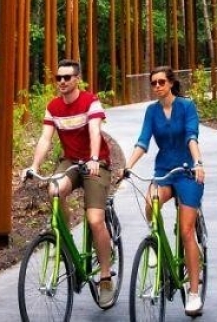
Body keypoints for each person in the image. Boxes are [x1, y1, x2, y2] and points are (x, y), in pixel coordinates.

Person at [25, 58, 115, 308]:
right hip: (71, 161)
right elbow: (45, 139)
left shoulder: (90, 101)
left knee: (95, 219)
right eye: (58, 78)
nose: (62, 82)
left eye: (67, 77)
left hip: (96, 163)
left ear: (77, 79)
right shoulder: (53, 106)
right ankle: (63, 239)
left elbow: (95, 131)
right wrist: (34, 166)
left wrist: (95, 158)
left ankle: (105, 277)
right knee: (54, 189)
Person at [124, 65, 206, 317]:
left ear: (171, 83)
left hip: (186, 172)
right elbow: (143, 141)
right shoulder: (151, 111)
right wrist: (127, 166)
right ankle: (156, 243)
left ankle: (193, 292)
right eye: (153, 83)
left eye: (161, 82)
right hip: (163, 171)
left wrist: (199, 163)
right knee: (151, 202)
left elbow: (192, 136)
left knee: (186, 231)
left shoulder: (186, 107)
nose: (157, 86)